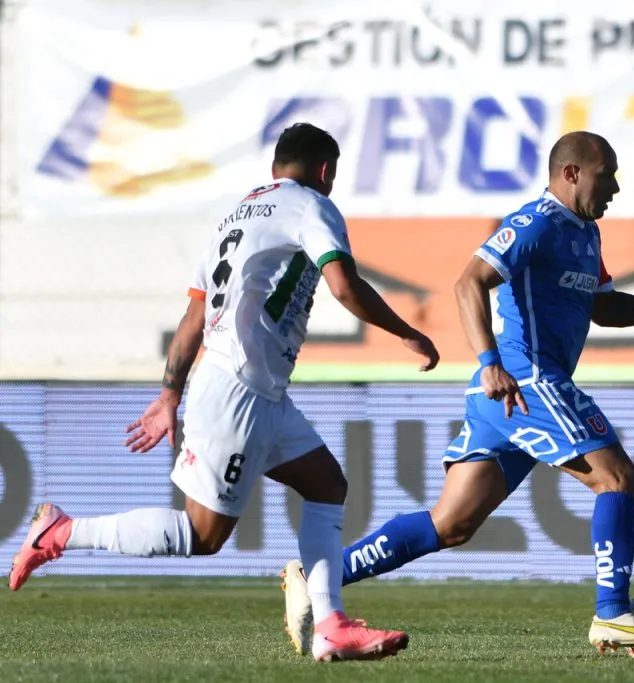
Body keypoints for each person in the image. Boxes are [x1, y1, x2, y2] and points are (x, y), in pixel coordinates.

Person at [7, 123, 440, 663]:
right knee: (203, 535)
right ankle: (64, 532)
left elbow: (193, 316)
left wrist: (169, 395)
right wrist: (408, 333)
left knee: (328, 484)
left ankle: (331, 624)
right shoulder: (312, 205)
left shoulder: (232, 218)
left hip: (255, 389)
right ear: (325, 171)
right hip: (239, 388)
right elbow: (344, 285)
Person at [277, 131, 634, 659]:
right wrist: (489, 363)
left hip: (508, 396)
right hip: (525, 382)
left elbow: (603, 307)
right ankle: (612, 614)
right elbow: (468, 283)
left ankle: (318, 578)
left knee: (451, 523)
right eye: (608, 173)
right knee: (619, 478)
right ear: (572, 172)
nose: (617, 186)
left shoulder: (585, 234)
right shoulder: (536, 223)